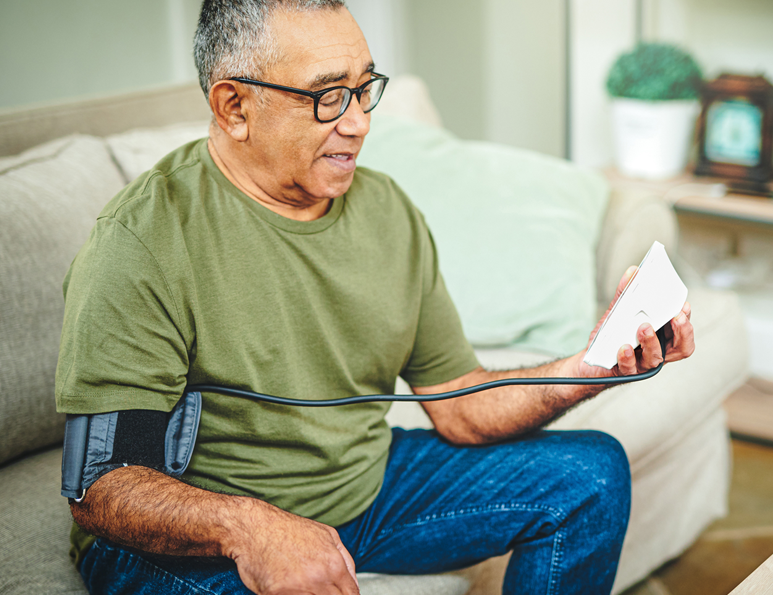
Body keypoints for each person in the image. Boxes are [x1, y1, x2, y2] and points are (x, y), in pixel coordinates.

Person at [55, 1, 695, 594]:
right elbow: (100, 485)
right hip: (196, 539)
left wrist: (587, 370)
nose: (359, 122)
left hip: (364, 488)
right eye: (330, 96)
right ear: (234, 108)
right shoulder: (143, 240)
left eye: (364, 88)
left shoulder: (388, 210)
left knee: (590, 475)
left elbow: (460, 406)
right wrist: (252, 528)